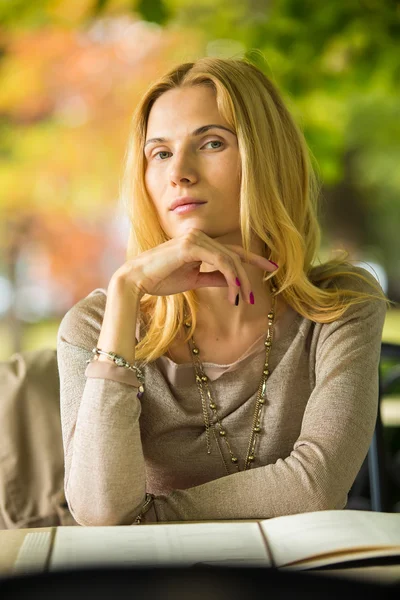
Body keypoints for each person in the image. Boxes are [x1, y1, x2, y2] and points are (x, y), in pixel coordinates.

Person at [57, 57, 392, 526]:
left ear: (268, 158)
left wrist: (143, 518)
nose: (180, 174)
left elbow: (316, 487)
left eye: (211, 143)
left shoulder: (341, 304)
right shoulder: (98, 323)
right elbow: (99, 510)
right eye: (161, 154)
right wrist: (126, 290)